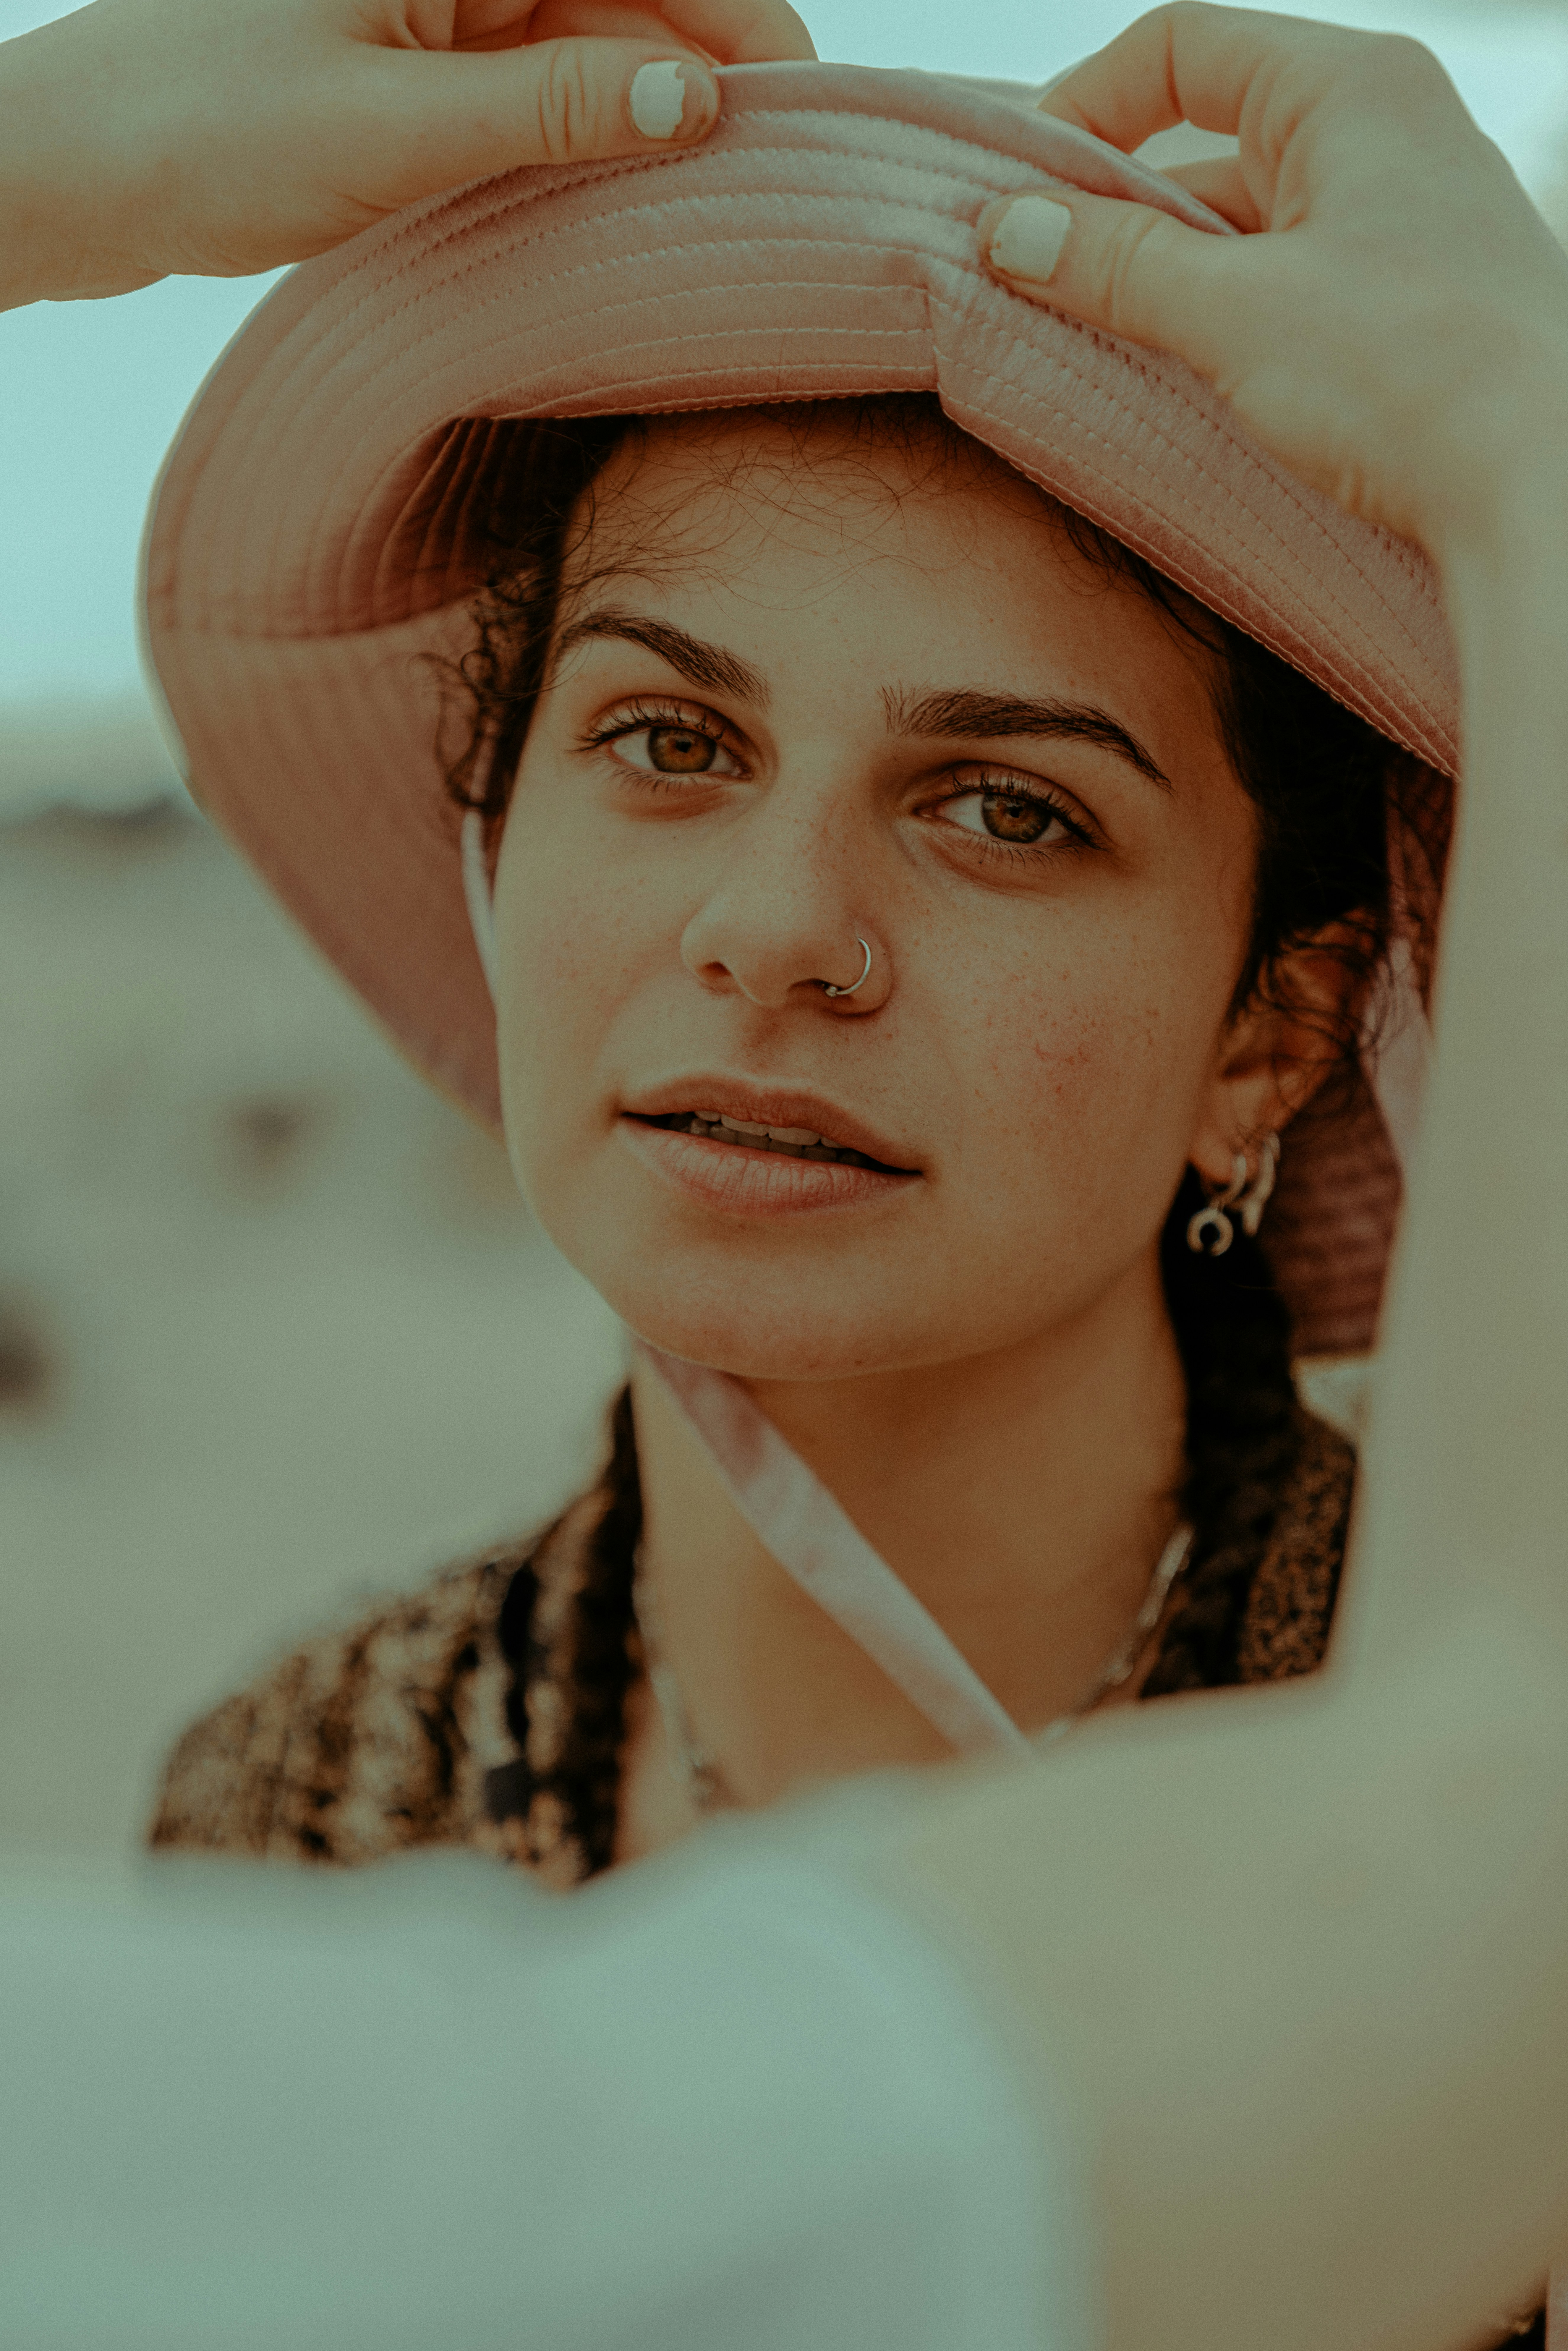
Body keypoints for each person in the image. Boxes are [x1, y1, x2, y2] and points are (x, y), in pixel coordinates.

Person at [3, 4, 1568, 2347]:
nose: (778, 928)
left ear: (1271, 1023)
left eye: (1006, 806)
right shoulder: (295, 1790)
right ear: (490, 843)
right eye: (663, 735)